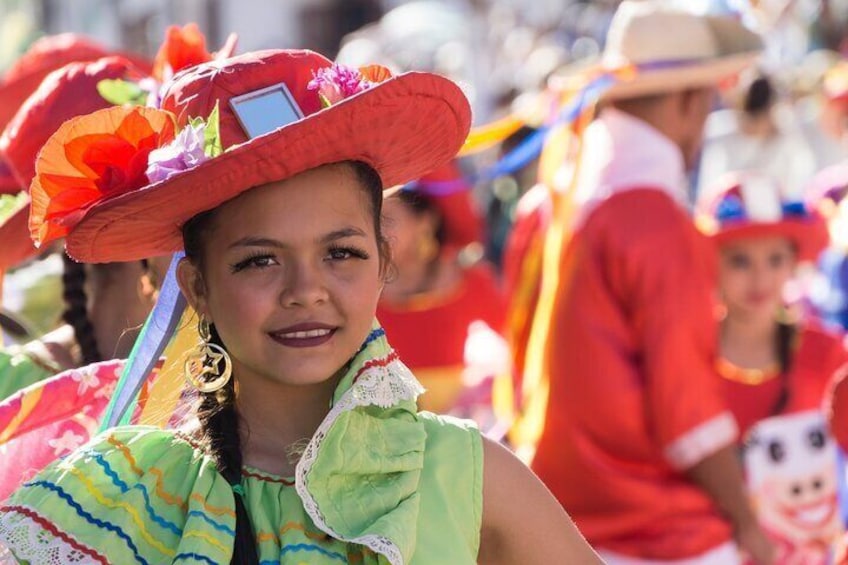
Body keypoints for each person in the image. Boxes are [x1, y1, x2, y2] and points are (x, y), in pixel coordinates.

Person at [0, 49, 601, 564]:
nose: (306, 289)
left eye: (341, 253)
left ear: (383, 263)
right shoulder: (110, 497)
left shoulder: (467, 475)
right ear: (196, 286)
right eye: (259, 260)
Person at [515, 2, 773, 563]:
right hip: (650, 526)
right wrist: (749, 523)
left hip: (551, 507)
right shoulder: (654, 219)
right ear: (686, 101)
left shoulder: (552, 200)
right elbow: (686, 411)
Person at [697, 172, 844, 562]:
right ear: (712, 264)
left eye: (775, 259)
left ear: (795, 261)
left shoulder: (827, 353)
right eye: (741, 260)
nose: (760, 277)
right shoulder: (685, 357)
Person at [378, 162, 507, 418]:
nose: (373, 232)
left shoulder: (474, 285)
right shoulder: (359, 295)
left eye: (385, 220)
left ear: (425, 222)